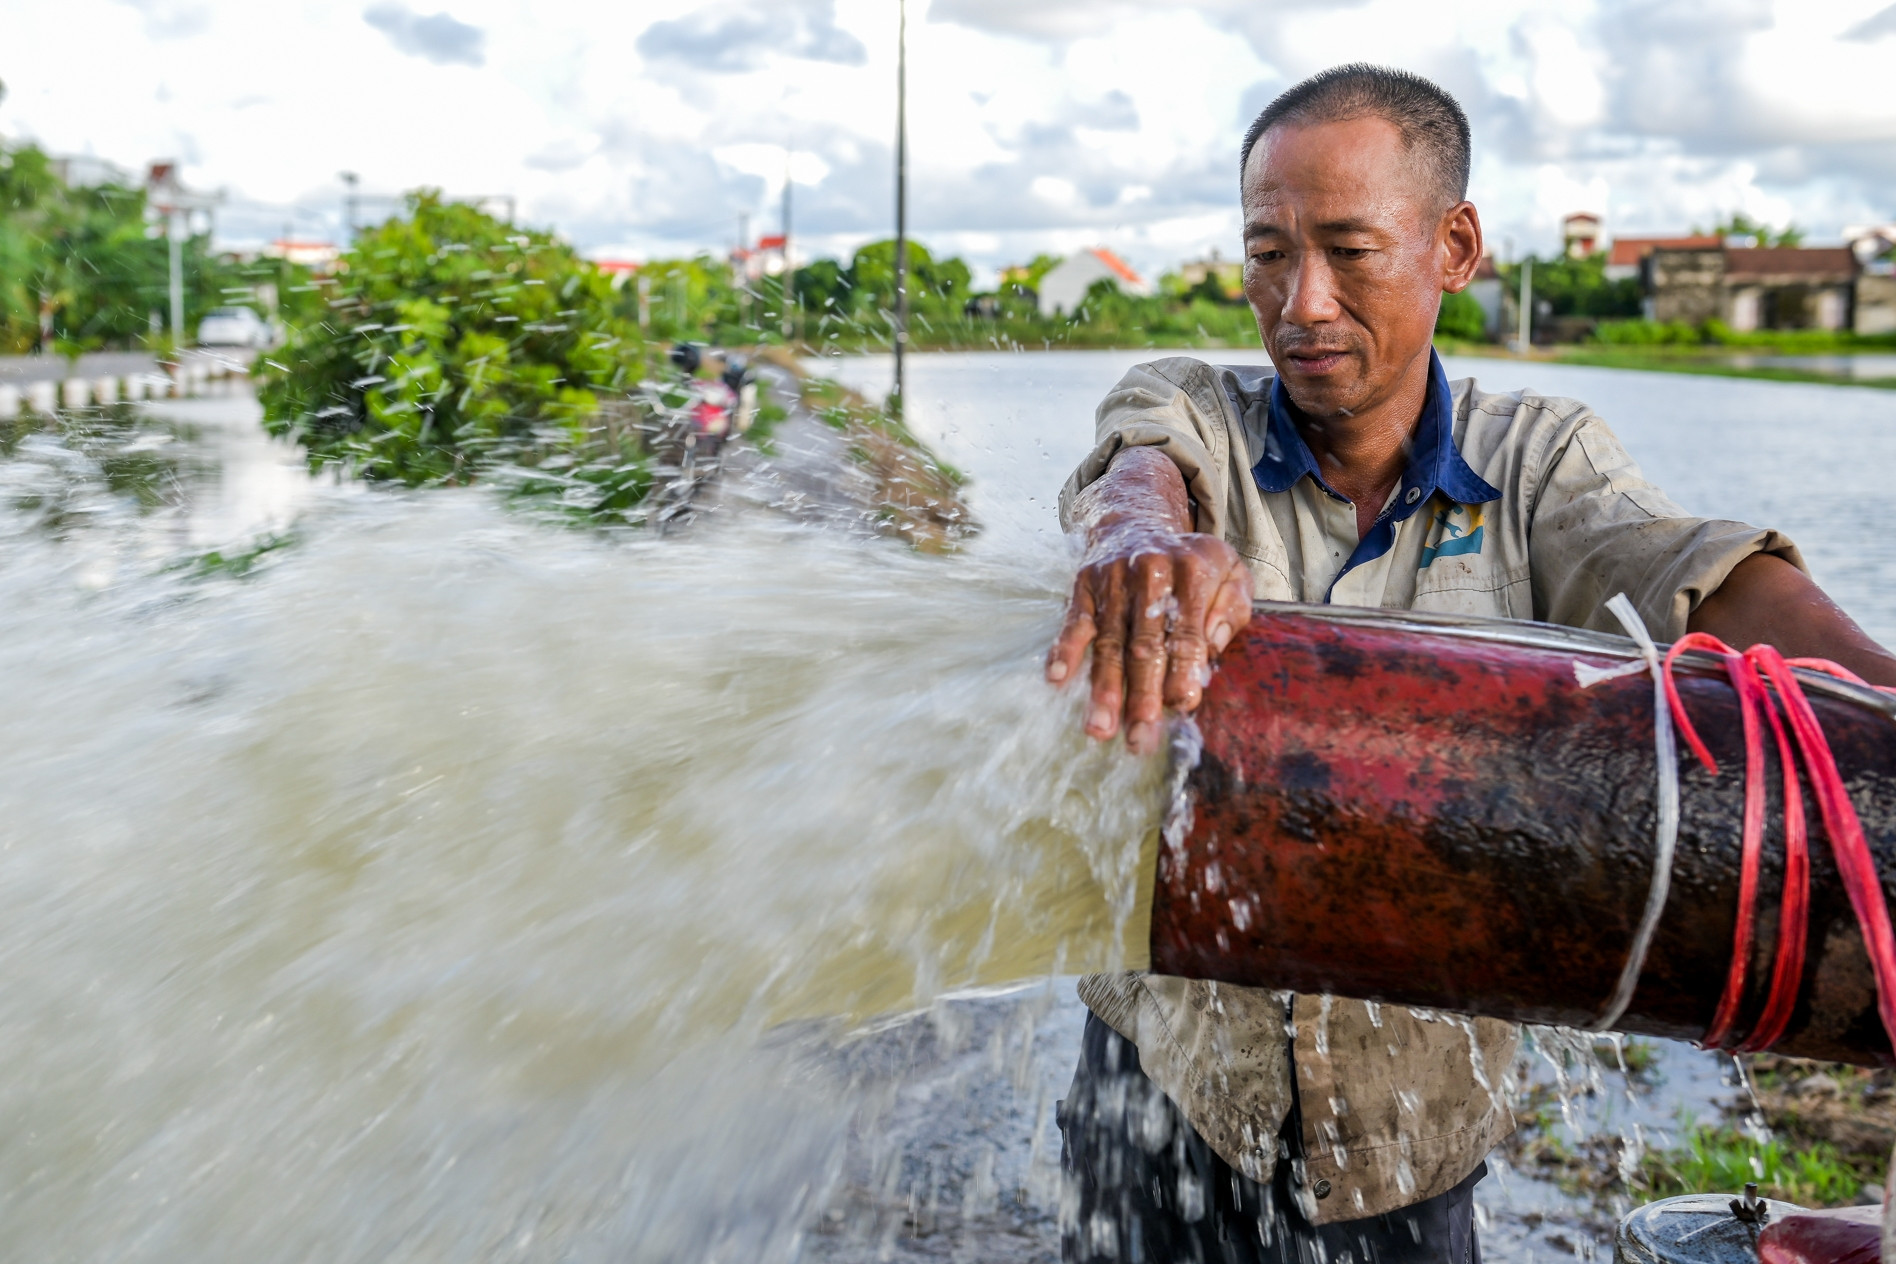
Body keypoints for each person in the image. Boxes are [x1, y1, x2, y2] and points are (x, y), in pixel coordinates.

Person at [1044, 63, 1896, 1264]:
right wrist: (1141, 536)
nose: (1302, 303)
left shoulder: (1538, 460)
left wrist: (1879, 693)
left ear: (1455, 245)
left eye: (1349, 249)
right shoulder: (1198, 419)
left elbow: (1690, 570)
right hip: (1167, 1089)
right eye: (1268, 253)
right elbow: (1137, 463)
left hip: (1406, 1133)